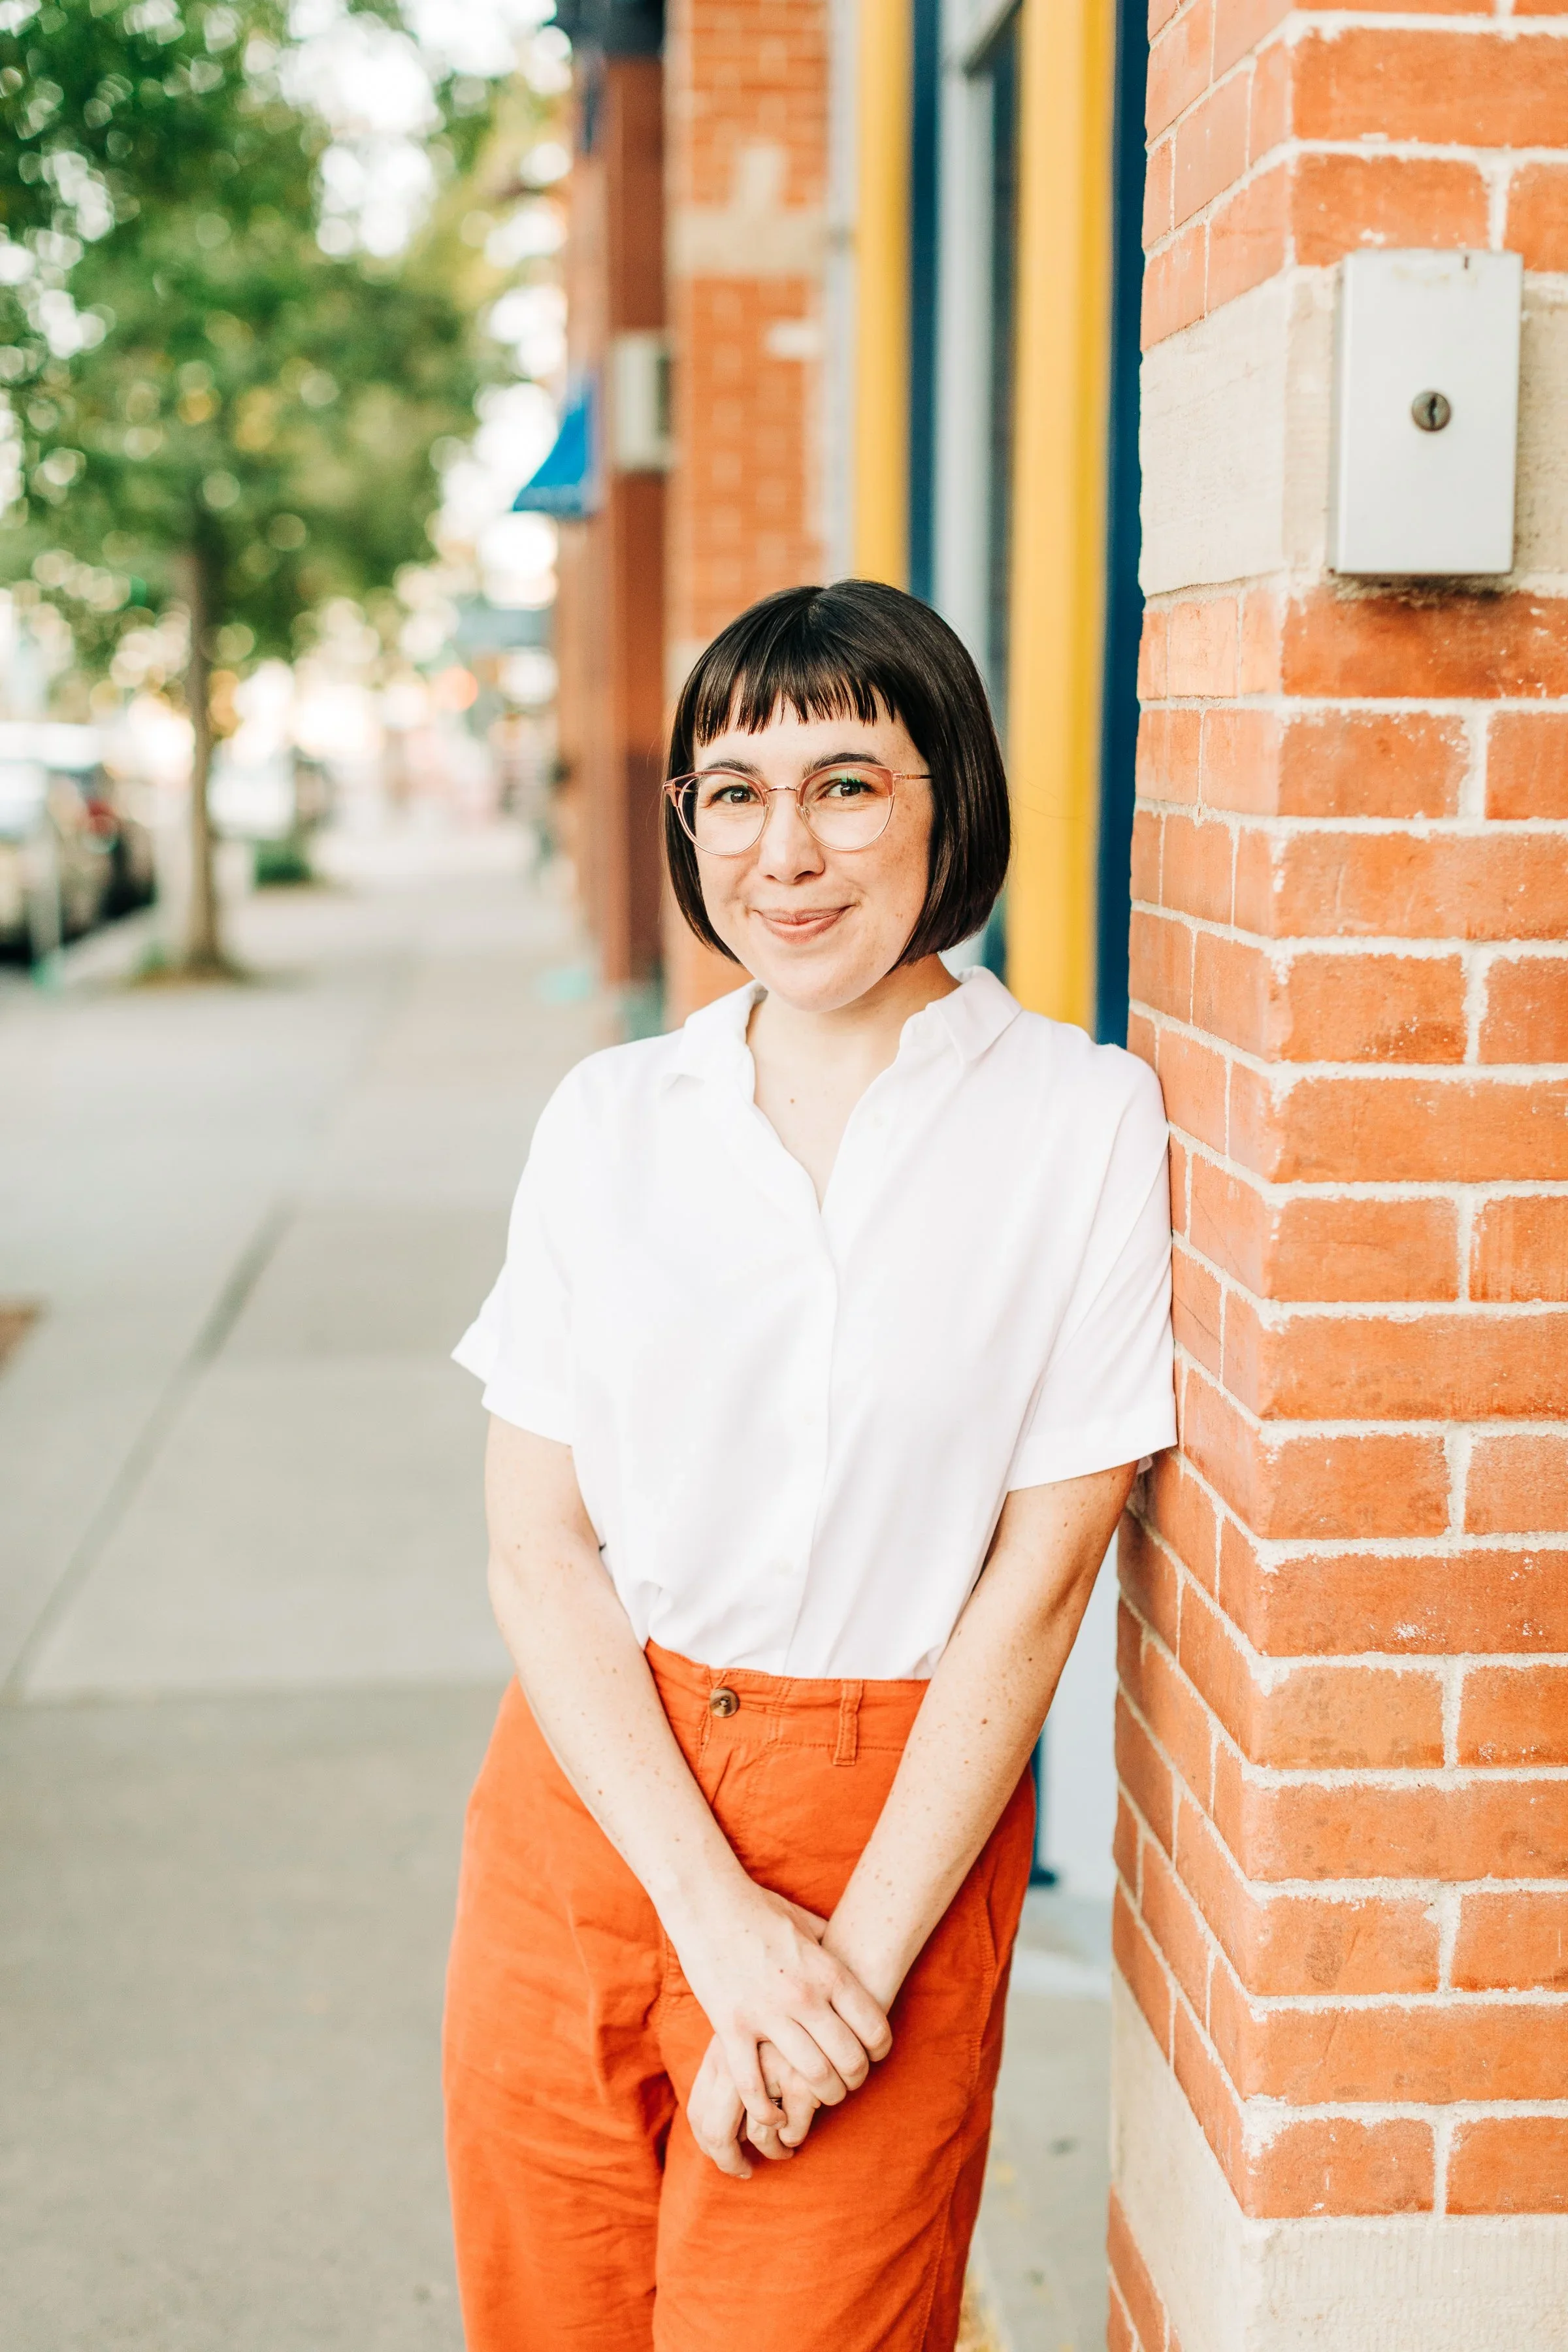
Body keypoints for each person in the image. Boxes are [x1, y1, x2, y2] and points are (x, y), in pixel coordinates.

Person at [445, 579, 1175, 2351]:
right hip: (591, 1816)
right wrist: (716, 1927)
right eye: (738, 793)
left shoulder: (1078, 1124)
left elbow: (1040, 1584)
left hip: (890, 1834)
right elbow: (542, 1552)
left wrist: (827, 1978)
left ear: (952, 803)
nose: (788, 849)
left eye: (849, 782)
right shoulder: (612, 1123)